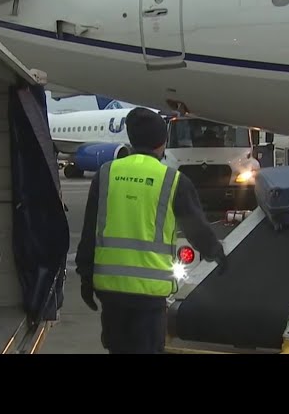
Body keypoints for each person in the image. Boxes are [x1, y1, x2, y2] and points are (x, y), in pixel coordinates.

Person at [75, 107, 227, 354]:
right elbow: (196, 229)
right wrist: (216, 253)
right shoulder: (172, 179)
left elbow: (89, 232)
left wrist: (85, 277)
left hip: (111, 290)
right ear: (162, 142)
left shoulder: (105, 174)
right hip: (149, 295)